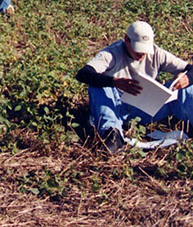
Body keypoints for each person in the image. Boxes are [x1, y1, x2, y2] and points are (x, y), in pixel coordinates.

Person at [75, 21, 193, 153]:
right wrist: (114, 82)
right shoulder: (112, 53)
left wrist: (188, 78)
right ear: (126, 40)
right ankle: (112, 135)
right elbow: (83, 74)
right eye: (138, 48)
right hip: (115, 107)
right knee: (97, 87)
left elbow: (189, 68)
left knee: (188, 87)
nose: (142, 54)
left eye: (145, 50)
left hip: (147, 107)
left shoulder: (157, 53)